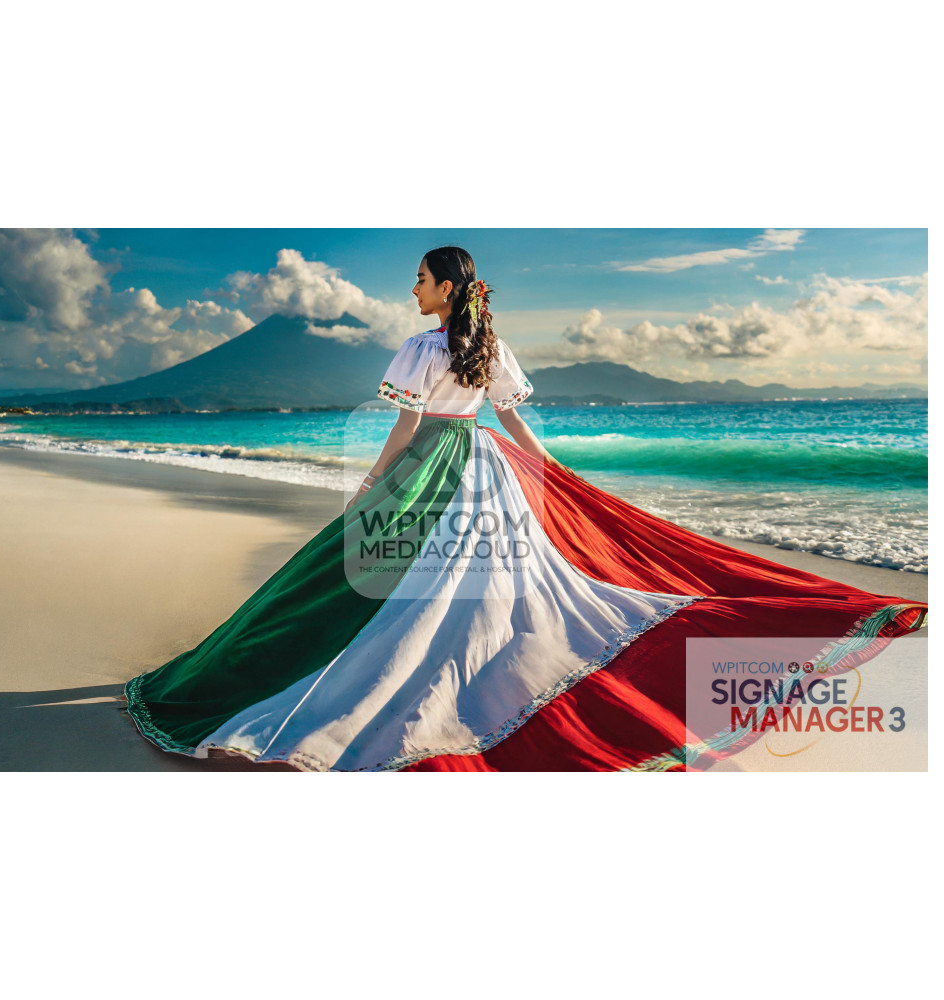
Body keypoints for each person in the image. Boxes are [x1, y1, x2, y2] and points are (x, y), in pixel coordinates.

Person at [123, 246, 928, 772]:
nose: (413, 290)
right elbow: (510, 419)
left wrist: (372, 483)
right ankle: (486, 673)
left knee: (387, 589)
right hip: (485, 467)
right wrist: (548, 469)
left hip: (434, 464)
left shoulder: (422, 348)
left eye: (421, 280)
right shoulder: (489, 348)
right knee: (490, 589)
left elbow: (408, 423)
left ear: (445, 288)